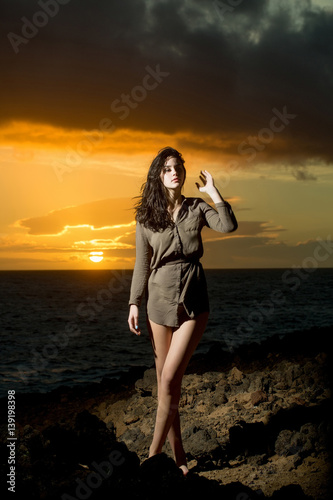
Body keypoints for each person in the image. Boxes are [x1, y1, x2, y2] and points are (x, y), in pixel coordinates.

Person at [128, 147, 237, 475]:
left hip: (193, 300)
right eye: (168, 169)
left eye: (179, 167)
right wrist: (134, 301)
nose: (175, 172)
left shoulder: (197, 207)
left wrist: (213, 191)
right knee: (166, 385)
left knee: (171, 377)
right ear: (159, 176)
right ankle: (179, 460)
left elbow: (228, 225)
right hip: (158, 304)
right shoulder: (146, 217)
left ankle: (151, 458)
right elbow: (142, 263)